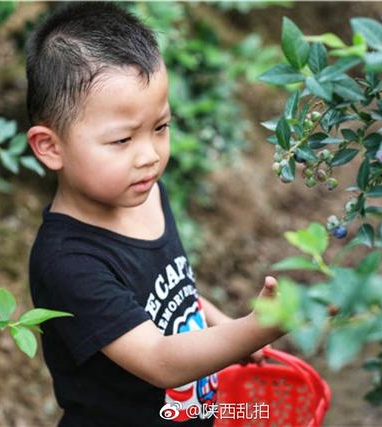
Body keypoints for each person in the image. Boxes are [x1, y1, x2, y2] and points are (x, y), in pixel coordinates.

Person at [25, 2, 287, 426]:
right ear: (50, 146)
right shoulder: (69, 263)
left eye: (160, 128)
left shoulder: (146, 193)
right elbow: (160, 361)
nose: (149, 156)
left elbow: (173, 294)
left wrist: (225, 327)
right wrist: (259, 328)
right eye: (122, 140)